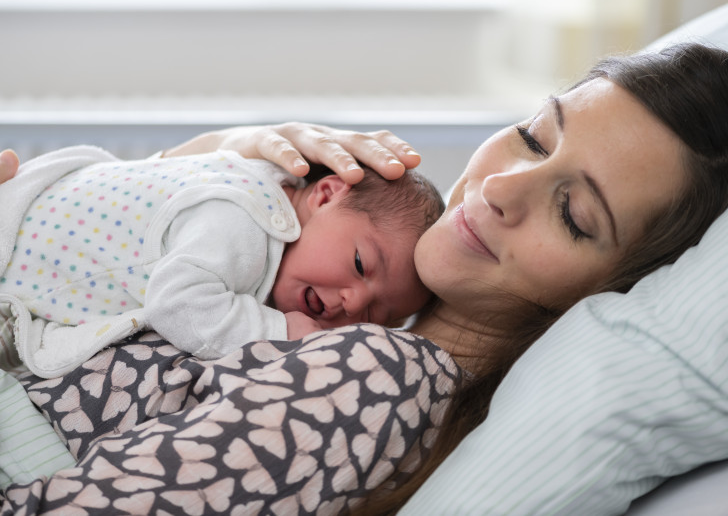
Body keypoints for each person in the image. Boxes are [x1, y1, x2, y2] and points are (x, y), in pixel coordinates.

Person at [2, 42, 728, 514]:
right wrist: (225, 159)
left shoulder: (377, 379)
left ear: (612, 288)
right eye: (534, 136)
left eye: (572, 214)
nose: (502, 188)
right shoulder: (335, 302)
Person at [0, 148, 442, 376]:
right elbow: (176, 303)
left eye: (375, 315)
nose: (352, 302)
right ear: (326, 195)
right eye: (362, 264)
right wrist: (279, 331)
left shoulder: (261, 181)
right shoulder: (243, 220)